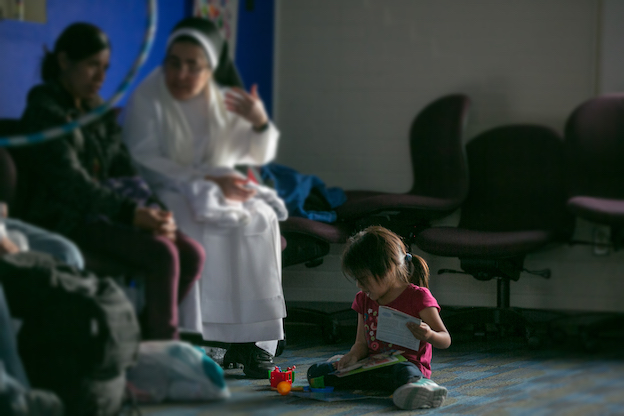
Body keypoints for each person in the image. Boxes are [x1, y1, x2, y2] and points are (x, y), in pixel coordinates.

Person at [18, 22, 205, 341]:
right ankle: (164, 345)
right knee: (162, 253)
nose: (101, 77)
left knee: (190, 252)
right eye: (92, 65)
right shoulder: (43, 114)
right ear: (64, 61)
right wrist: (131, 214)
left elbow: (126, 171)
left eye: (104, 68)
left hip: (108, 213)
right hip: (68, 218)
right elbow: (71, 185)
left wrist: (159, 214)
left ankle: (145, 338)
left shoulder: (98, 112)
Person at [122, 17, 286, 378]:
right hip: (166, 186)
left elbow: (254, 154)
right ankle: (199, 338)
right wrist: (208, 179)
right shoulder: (149, 98)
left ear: (210, 67)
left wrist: (258, 122)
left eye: (192, 65)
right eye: (174, 63)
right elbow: (145, 160)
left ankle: (255, 341)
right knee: (192, 216)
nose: (181, 73)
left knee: (260, 216)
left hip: (218, 183)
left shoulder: (221, 98)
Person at [306, 226, 450, 410]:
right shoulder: (363, 299)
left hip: (405, 368)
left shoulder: (418, 297)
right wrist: (352, 357)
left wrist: (429, 335)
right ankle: (402, 389)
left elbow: (445, 340)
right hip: (372, 366)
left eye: (364, 278)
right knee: (317, 372)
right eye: (356, 279)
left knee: (403, 371)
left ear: (388, 269)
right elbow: (361, 344)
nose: (359, 284)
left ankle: (421, 387)